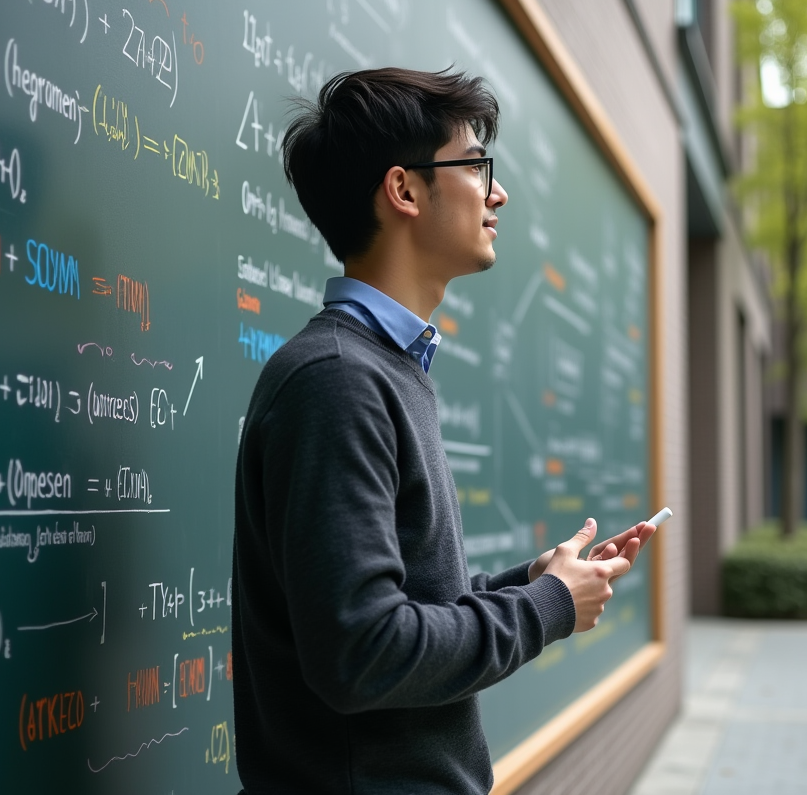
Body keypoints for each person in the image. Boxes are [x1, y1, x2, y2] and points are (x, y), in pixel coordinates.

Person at [231, 68, 658, 795]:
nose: (497, 192)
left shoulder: (382, 370)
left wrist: (538, 582)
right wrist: (548, 608)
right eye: (475, 165)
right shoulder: (339, 381)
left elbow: (405, 611)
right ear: (403, 191)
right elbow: (364, 651)